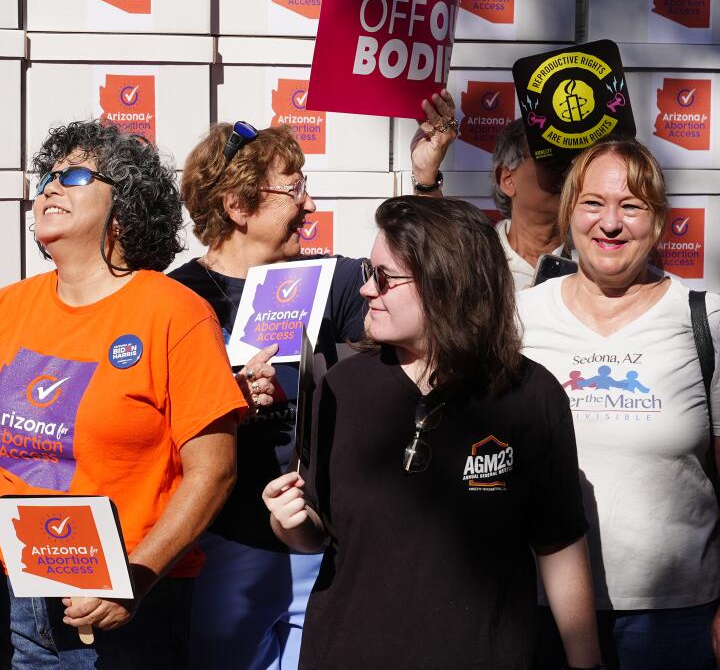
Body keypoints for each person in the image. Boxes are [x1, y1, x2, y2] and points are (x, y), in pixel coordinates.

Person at [171, 93, 457, 670]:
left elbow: (431, 290)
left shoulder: (332, 278)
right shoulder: (178, 299)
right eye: (293, 188)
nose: (309, 202)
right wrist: (226, 398)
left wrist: (425, 182)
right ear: (237, 205)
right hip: (223, 543)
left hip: (320, 539)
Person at [0, 120, 245, 669]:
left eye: (76, 174)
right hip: (13, 601)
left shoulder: (175, 313)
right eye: (48, 176)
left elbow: (214, 471)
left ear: (125, 205)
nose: (51, 187)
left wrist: (135, 578)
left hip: (128, 608)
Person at [263, 196, 601, 669]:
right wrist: (289, 520)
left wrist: (586, 663)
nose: (365, 291)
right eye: (368, 273)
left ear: (446, 283)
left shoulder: (531, 394)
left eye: (384, 278)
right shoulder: (341, 386)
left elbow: (559, 541)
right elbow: (317, 533)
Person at [518, 138, 720, 669]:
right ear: (569, 212)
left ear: (657, 222)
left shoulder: (707, 321)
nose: (610, 224)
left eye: (631, 206)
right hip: (539, 611)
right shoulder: (517, 319)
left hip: (675, 616)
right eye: (593, 203)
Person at [492, 118, 572, 288]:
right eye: (551, 158)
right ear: (507, 179)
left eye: (571, 160)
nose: (567, 171)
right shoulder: (474, 259)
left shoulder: (596, 261)